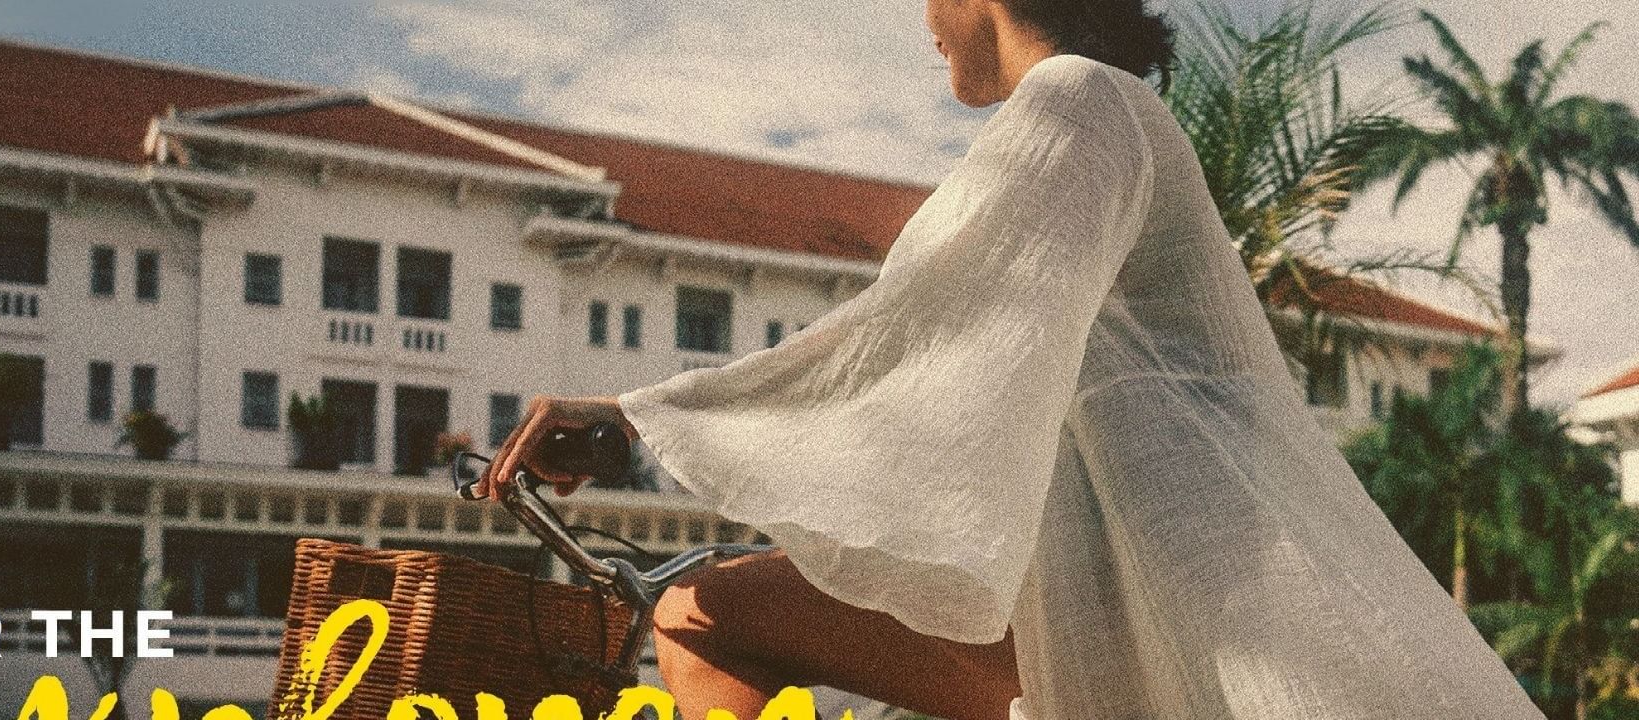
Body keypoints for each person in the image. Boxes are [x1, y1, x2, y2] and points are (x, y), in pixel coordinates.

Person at [474, 1, 1547, 718]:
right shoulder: (1106, 113)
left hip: (1178, 610)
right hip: (1143, 597)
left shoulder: (1080, 99)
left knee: (699, 611)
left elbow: (926, 337)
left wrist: (635, 417)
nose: (925, 25)